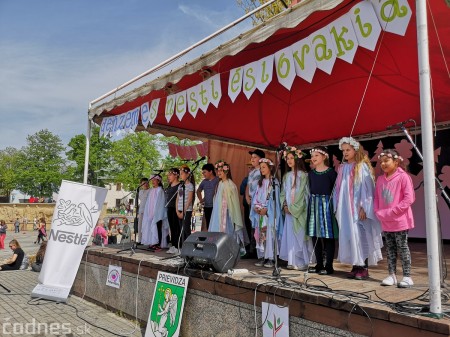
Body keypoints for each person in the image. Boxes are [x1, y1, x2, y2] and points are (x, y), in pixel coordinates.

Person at [334, 137, 383, 280]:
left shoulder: (362, 166)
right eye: (343, 151)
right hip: (345, 209)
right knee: (350, 236)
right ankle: (355, 266)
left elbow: (367, 189)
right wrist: (337, 206)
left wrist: (364, 208)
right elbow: (338, 190)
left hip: (357, 209)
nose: (345, 153)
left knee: (360, 237)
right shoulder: (343, 168)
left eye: (348, 150)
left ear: (355, 150)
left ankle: (364, 268)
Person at [374, 149, 415, 288]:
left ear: (396, 161)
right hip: (386, 221)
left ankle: (407, 276)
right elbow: (377, 198)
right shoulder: (380, 179)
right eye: (381, 162)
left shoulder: (403, 177)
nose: (383, 164)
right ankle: (391, 275)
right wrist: (378, 212)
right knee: (390, 248)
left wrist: (393, 211)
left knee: (402, 247)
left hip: (400, 221)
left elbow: (409, 198)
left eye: (387, 161)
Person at [279, 146, 313, 271]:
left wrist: (294, 208)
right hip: (289, 211)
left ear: (297, 159)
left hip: (299, 211)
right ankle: (292, 260)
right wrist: (285, 206)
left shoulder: (303, 175)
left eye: (291, 158)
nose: (289, 160)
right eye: (287, 158)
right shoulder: (286, 176)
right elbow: (283, 193)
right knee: (290, 235)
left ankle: (302, 261)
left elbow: (304, 194)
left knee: (299, 235)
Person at [306, 146, 338, 275]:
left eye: (316, 155)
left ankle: (329, 265)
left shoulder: (331, 173)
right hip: (314, 204)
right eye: (312, 156)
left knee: (328, 236)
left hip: (326, 205)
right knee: (315, 235)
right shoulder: (311, 174)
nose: (313, 158)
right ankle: (319, 264)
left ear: (324, 157)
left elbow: (335, 191)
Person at [250, 158, 283, 268]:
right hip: (260, 213)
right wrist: (255, 206)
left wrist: (267, 209)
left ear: (270, 168)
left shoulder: (274, 182)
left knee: (269, 236)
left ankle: (270, 258)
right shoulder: (260, 182)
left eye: (264, 167)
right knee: (260, 235)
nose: (262, 169)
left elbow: (275, 200)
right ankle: (262, 257)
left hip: (268, 214)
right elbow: (256, 196)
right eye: (260, 168)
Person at [209, 160, 246, 255]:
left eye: (220, 170)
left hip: (227, 214)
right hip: (218, 214)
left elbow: (234, 203)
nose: (218, 172)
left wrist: (230, 214)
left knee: (227, 231)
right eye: (218, 170)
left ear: (226, 171)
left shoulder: (231, 185)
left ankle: (228, 251)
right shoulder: (220, 184)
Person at [245, 149, 265, 258]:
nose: (252, 159)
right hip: (252, 201)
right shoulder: (252, 172)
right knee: (252, 225)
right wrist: (247, 197)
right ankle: (253, 249)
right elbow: (248, 185)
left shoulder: (262, 171)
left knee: (259, 225)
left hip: (260, 202)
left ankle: (259, 251)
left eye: (255, 157)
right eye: (251, 157)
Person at [142, 174, 169, 250]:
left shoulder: (160, 190)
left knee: (158, 228)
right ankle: (152, 242)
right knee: (152, 228)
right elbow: (148, 203)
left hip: (158, 214)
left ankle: (158, 243)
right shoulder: (151, 190)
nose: (153, 182)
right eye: (152, 180)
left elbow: (161, 203)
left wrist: (156, 213)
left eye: (154, 180)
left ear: (158, 181)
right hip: (150, 213)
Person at [176, 165, 195, 248]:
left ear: (187, 174)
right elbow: (178, 198)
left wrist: (183, 212)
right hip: (179, 210)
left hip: (186, 211)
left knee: (186, 229)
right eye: (180, 174)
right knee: (181, 229)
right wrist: (177, 210)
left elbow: (189, 200)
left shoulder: (190, 185)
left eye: (182, 173)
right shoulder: (180, 186)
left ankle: (190, 246)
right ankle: (183, 246)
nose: (181, 175)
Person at [196, 163, 219, 230]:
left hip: (216, 207)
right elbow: (198, 191)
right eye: (202, 172)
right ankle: (210, 239)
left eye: (205, 172)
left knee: (216, 224)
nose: (203, 174)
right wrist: (201, 200)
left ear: (211, 171)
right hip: (207, 207)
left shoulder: (218, 180)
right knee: (209, 224)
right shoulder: (204, 181)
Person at [240, 162, 254, 258]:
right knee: (248, 227)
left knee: (255, 228)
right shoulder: (246, 179)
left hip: (256, 206)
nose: (250, 169)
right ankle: (249, 249)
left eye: (251, 168)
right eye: (249, 167)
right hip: (247, 206)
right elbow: (241, 191)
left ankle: (255, 250)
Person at [166, 168, 181, 254]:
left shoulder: (180, 185)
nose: (169, 176)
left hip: (176, 209)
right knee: (171, 228)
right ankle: (173, 245)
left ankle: (177, 245)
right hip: (169, 208)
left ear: (176, 175)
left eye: (170, 175)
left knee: (176, 228)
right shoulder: (169, 186)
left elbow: (181, 197)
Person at [137, 177, 150, 244]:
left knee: (146, 226)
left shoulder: (150, 190)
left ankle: (146, 240)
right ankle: (139, 240)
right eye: (144, 183)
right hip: (141, 210)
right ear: (141, 184)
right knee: (140, 226)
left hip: (147, 211)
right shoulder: (140, 191)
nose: (145, 185)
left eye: (147, 183)